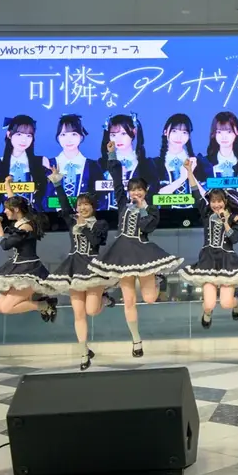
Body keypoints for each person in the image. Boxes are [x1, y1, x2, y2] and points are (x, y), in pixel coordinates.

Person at [89, 143, 183, 357]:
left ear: (145, 191)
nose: (135, 192)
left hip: (142, 252)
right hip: (122, 253)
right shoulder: (123, 203)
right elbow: (116, 178)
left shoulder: (151, 209)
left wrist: (142, 208)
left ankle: (157, 278)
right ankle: (136, 340)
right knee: (129, 300)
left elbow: (147, 227)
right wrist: (111, 153)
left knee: (149, 298)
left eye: (139, 189)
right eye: (132, 189)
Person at [44, 165, 111, 370]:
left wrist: (83, 226)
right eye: (80, 205)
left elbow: (96, 242)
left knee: (91, 310)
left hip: (93, 267)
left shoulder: (100, 224)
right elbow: (64, 205)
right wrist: (57, 183)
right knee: (79, 313)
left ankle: (105, 300)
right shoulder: (72, 219)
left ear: (93, 207)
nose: (82, 208)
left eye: (86, 205)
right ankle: (84, 352)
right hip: (73, 267)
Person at [0, 177, 58, 321]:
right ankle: (42, 304)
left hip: (29, 269)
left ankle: (45, 305)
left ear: (16, 210)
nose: (5, 211)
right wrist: (7, 185)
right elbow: (13, 201)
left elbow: (5, 245)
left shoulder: (25, 226)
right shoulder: (21, 220)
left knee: (6, 308)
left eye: (7, 209)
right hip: (17, 266)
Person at [179, 171, 238, 327]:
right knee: (209, 304)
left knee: (226, 303)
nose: (216, 205)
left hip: (227, 261)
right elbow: (196, 193)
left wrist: (225, 221)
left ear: (225, 201)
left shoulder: (234, 218)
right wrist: (189, 171)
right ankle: (207, 312)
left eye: (219, 201)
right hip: (208, 260)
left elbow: (234, 239)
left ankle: (237, 302)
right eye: (213, 201)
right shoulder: (206, 213)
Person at [0, 115, 50, 210]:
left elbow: (47, 197)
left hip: (36, 217)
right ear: (9, 134)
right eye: (19, 134)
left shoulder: (41, 162)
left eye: (29, 135)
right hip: (8, 217)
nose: (24, 140)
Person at [148, 113, 202, 209]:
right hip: (165, 215)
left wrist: (191, 174)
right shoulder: (154, 164)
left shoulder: (198, 162)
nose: (179, 137)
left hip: (195, 215)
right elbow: (154, 197)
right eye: (174, 131)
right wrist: (182, 178)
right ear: (165, 132)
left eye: (184, 132)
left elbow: (207, 197)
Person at [48, 114, 104, 207]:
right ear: (58, 137)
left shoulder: (93, 166)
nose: (68, 140)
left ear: (81, 137)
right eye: (63, 135)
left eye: (74, 134)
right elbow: (43, 199)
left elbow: (100, 198)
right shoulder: (49, 164)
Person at [98, 113, 149, 211]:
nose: (118, 139)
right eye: (113, 135)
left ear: (134, 132)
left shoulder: (145, 163)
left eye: (123, 133)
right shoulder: (101, 163)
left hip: (139, 214)